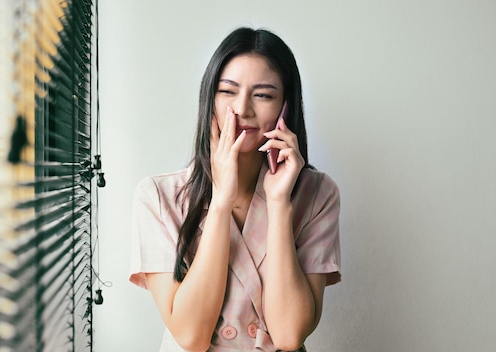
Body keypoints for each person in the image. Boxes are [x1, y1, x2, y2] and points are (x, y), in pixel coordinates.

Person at [129, 27, 341, 352]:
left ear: (286, 107)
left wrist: (279, 202)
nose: (242, 108)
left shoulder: (317, 193)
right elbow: (190, 335)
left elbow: (289, 335)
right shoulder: (158, 197)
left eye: (264, 95)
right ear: (209, 99)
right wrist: (221, 200)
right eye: (228, 91)